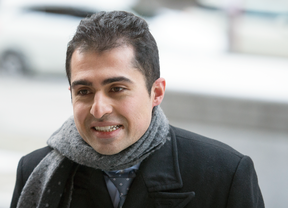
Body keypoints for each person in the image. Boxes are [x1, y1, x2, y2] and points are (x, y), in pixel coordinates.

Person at [10, 11, 264, 208]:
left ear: (157, 93)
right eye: (84, 92)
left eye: (117, 89)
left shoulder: (225, 173)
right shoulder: (35, 170)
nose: (98, 110)